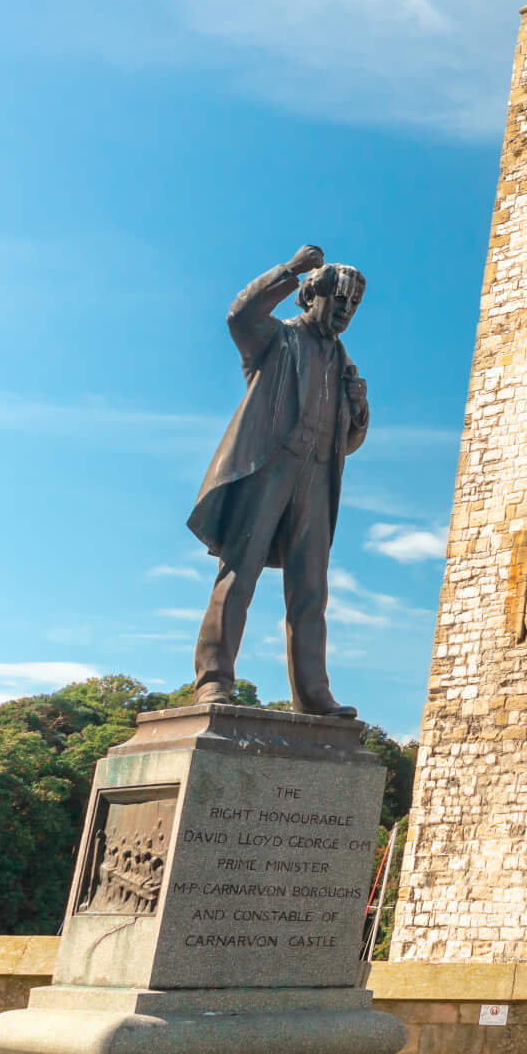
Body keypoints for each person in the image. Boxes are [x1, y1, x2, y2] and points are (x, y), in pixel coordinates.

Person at [186, 243, 369, 718]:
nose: (346, 310)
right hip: (267, 467)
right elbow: (239, 316)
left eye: (354, 304)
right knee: (238, 575)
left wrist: (359, 410)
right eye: (339, 298)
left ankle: (313, 694)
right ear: (312, 295)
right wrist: (291, 269)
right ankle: (213, 681)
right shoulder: (276, 338)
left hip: (317, 477)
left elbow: (346, 441)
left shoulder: (344, 364)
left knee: (311, 592)